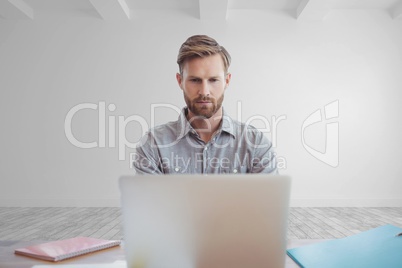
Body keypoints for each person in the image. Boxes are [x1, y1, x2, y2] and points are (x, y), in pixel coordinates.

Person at [133, 35, 277, 174]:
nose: (204, 91)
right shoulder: (153, 144)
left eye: (213, 80)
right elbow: (149, 199)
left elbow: (269, 199)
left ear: (227, 81)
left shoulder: (256, 144)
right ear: (179, 81)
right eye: (195, 80)